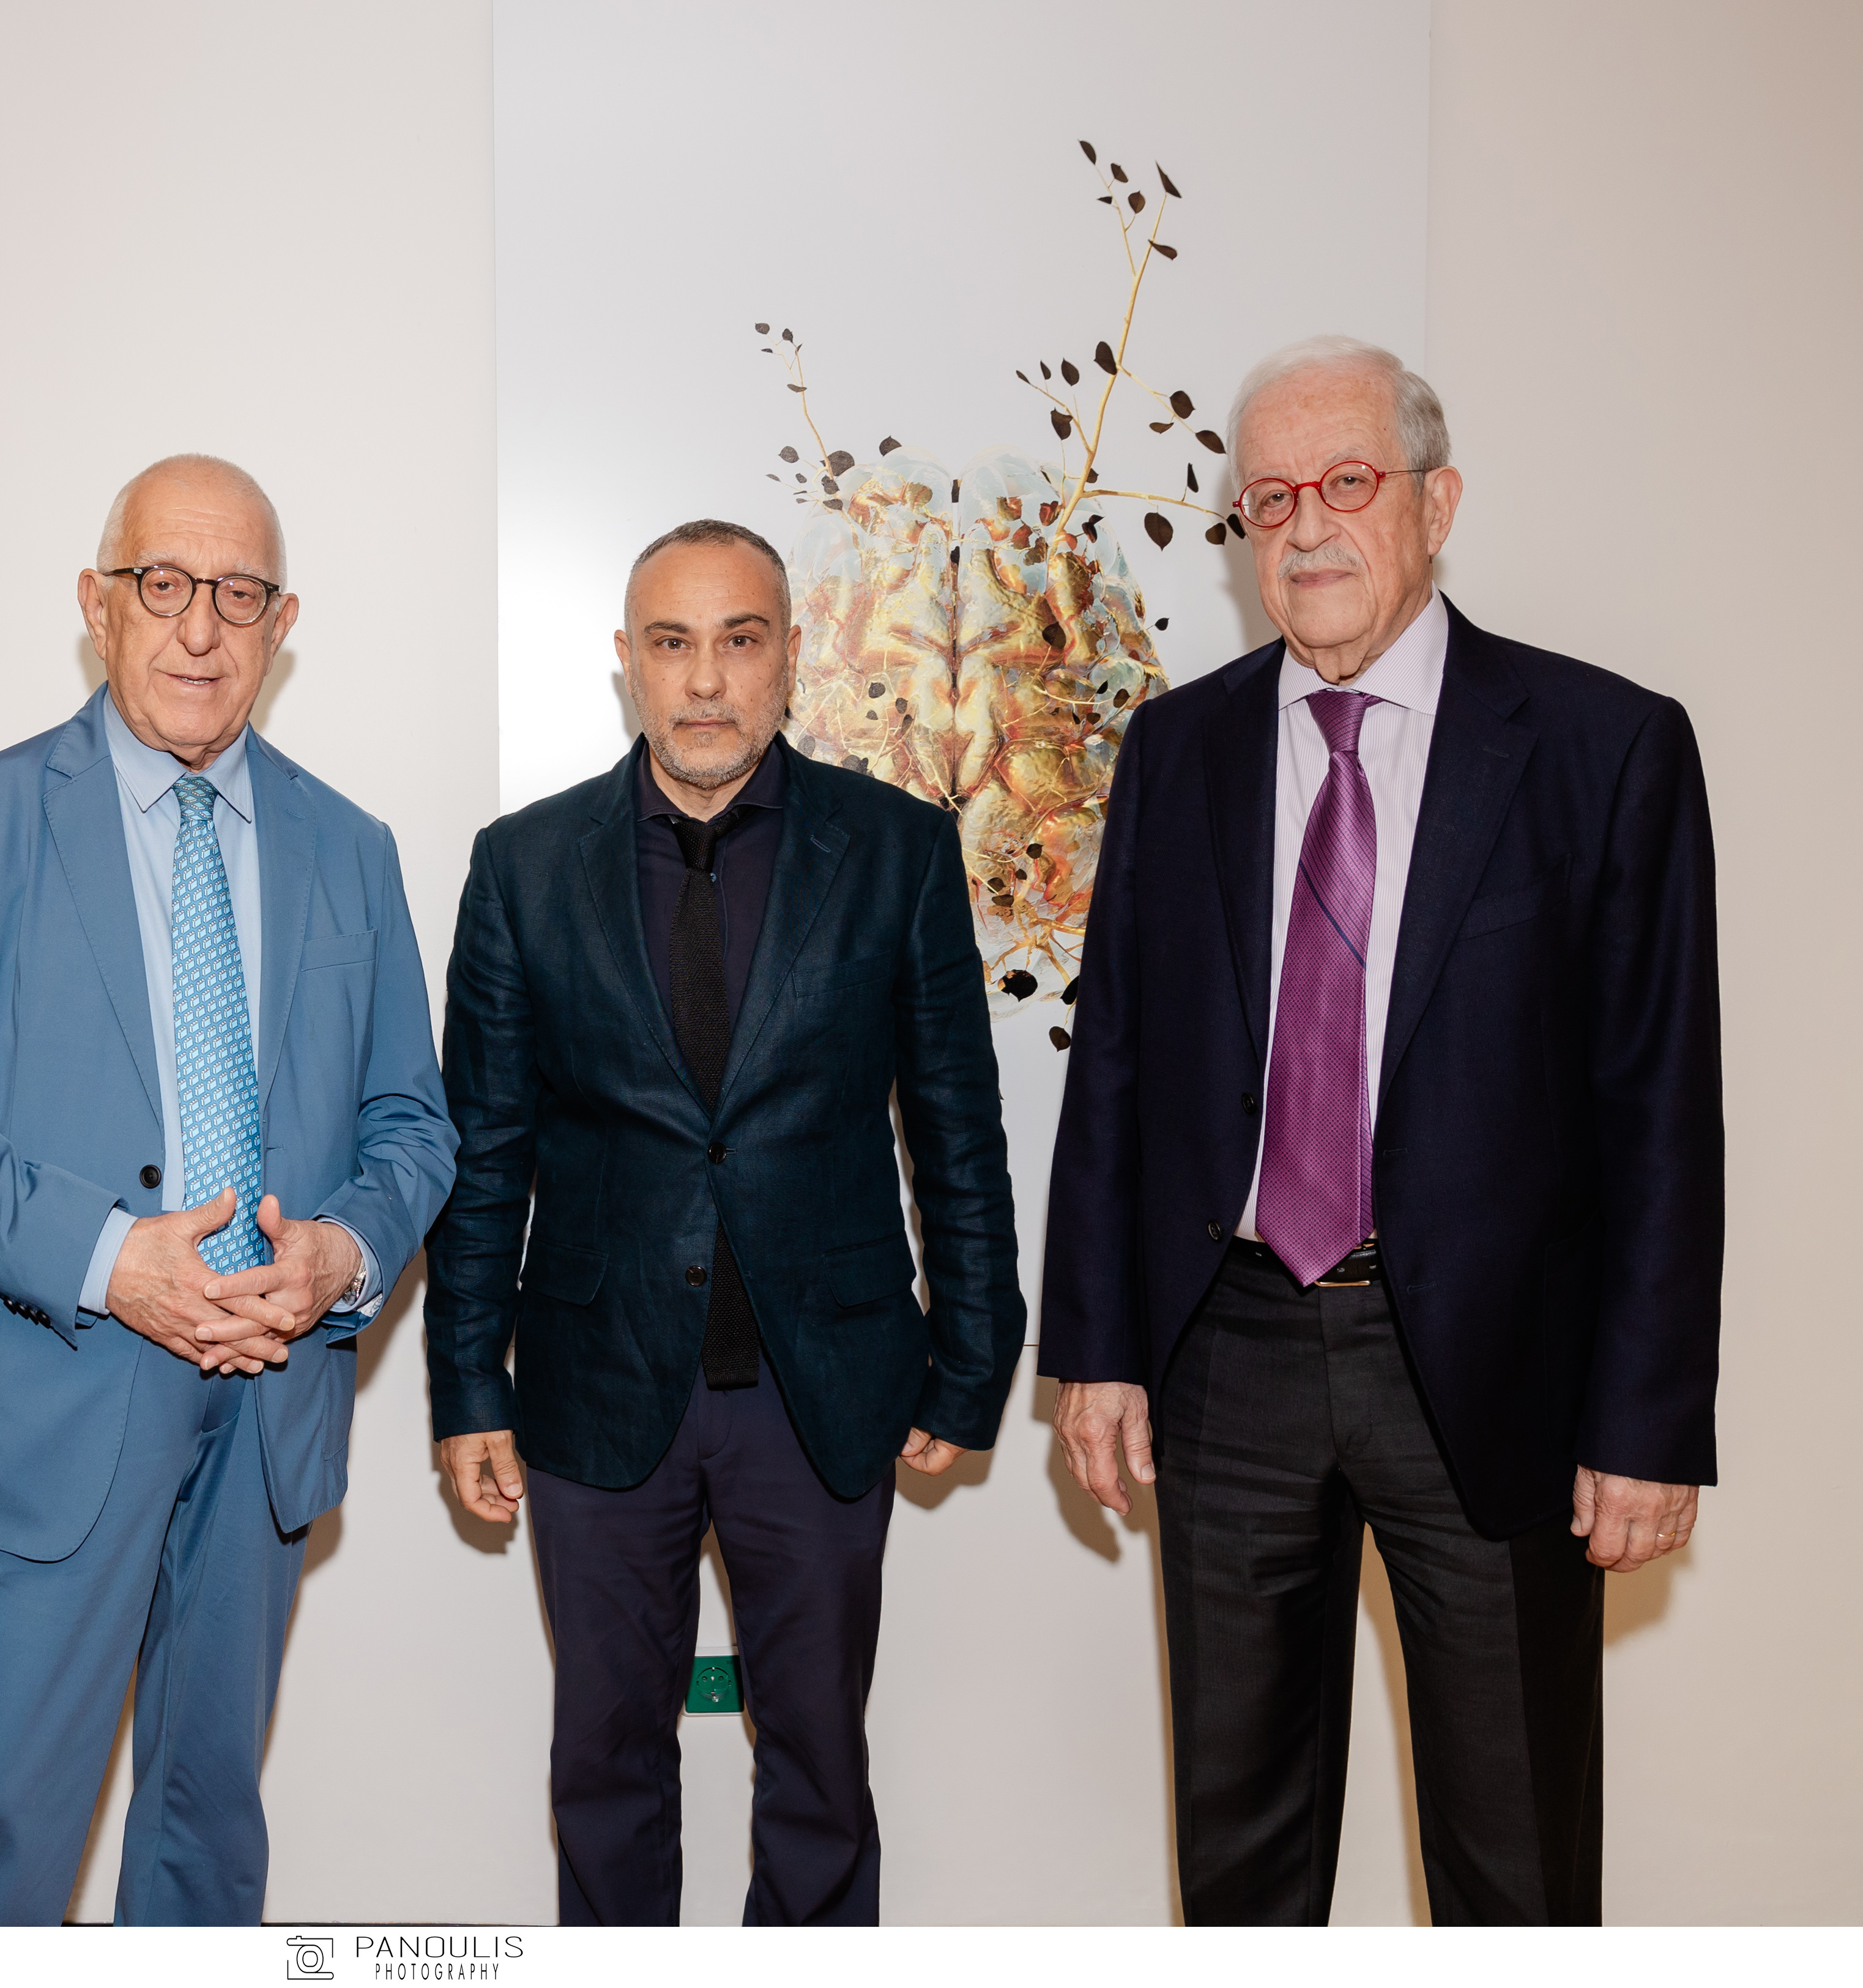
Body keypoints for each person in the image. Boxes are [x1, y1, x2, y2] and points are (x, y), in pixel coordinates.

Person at [1041, 337, 1720, 1924]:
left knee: (1512, 1864)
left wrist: (1646, 1418)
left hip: (1488, 1369)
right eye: (1269, 497)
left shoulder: (1602, 748)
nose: (1305, 526)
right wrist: (1097, 1347)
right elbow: (1117, 1064)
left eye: (1344, 481)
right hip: (1226, 1360)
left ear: (1434, 501)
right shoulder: (1176, 750)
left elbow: (1658, 1110)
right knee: (1240, 1865)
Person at [0, 453, 456, 1925]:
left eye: (237, 594)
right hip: (50, 1399)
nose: (198, 628)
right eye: (163, 584)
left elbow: (411, 1124)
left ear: (281, 623)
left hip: (270, 1399)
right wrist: (111, 1256)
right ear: (97, 602)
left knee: (206, 1824)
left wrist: (339, 1255)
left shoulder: (349, 846)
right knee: (1, 1823)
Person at [424, 519, 1027, 1925]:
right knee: (603, 1761)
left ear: (789, 657)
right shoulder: (523, 864)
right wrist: (466, 1384)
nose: (705, 680)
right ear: (626, 661)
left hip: (824, 1385)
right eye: (673, 643)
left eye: (739, 640)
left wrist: (971, 1359)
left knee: (819, 1759)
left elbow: (957, 1127)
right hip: (593, 1384)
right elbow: (483, 1147)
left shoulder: (897, 850)